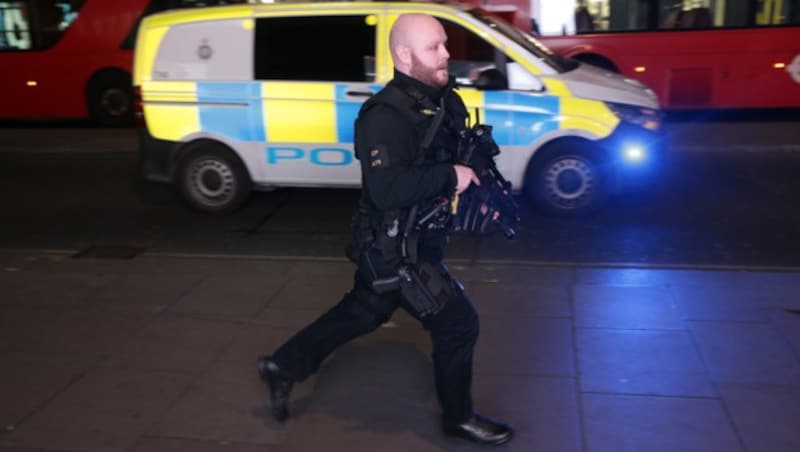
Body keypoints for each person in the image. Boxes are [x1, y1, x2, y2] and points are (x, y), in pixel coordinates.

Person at [256, 13, 514, 446]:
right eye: (435, 47)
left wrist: (478, 188)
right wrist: (451, 175)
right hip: (396, 249)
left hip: (420, 238)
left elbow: (451, 157)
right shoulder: (384, 116)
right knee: (458, 325)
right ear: (403, 54)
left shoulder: (442, 98)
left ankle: (282, 366)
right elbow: (385, 189)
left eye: (445, 44)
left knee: (364, 310)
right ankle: (458, 417)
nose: (447, 54)